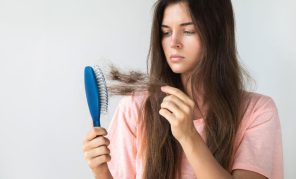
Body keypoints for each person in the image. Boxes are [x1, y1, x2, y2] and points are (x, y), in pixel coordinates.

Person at [82, 0, 283, 178]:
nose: (173, 43)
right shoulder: (135, 107)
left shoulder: (257, 111)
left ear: (217, 34)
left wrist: (189, 136)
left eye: (188, 31)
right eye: (166, 32)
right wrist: (101, 172)